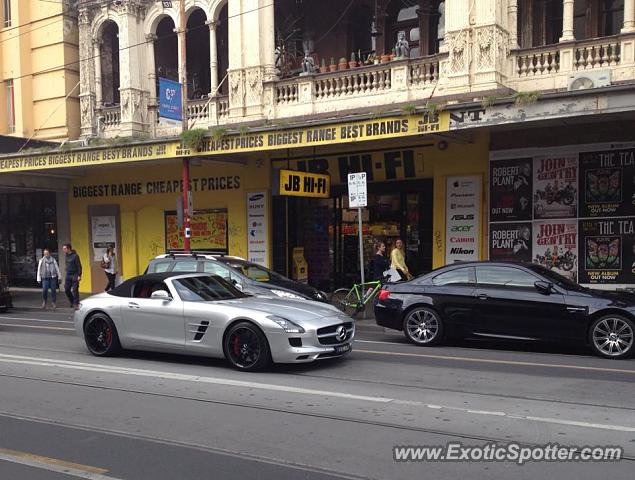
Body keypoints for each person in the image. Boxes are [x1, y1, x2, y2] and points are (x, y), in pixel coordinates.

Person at [62, 243, 82, 310]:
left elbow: (79, 266)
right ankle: (72, 301)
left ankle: (76, 304)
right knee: (67, 289)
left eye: (64, 248)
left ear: (68, 248)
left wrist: (79, 275)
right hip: (68, 274)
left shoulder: (75, 256)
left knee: (75, 289)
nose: (63, 250)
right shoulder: (66, 255)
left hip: (75, 274)